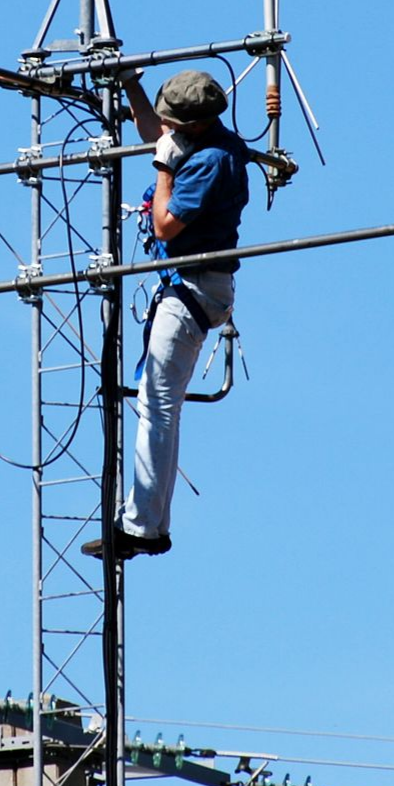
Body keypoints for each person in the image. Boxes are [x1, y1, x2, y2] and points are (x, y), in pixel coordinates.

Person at [82, 69, 250, 560]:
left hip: (193, 289)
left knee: (157, 405)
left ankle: (142, 527)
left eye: (175, 123)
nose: (168, 130)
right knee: (162, 406)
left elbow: (165, 224)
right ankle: (149, 523)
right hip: (195, 287)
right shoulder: (207, 141)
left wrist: (161, 169)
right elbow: (155, 133)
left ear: (195, 124)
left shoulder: (210, 162)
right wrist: (131, 87)